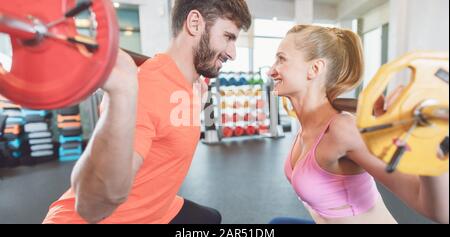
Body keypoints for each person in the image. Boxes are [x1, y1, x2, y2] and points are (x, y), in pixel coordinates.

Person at [43, 0, 252, 224]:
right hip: (103, 219)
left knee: (210, 219)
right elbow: (91, 206)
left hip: (157, 208)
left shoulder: (189, 84)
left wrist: (193, 104)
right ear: (194, 23)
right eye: (228, 37)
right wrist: (123, 95)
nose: (232, 53)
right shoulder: (147, 88)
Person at [268, 25, 449, 224]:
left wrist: (430, 147)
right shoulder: (306, 126)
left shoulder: (342, 130)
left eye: (281, 59)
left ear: (315, 69)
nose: (271, 70)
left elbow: (440, 212)